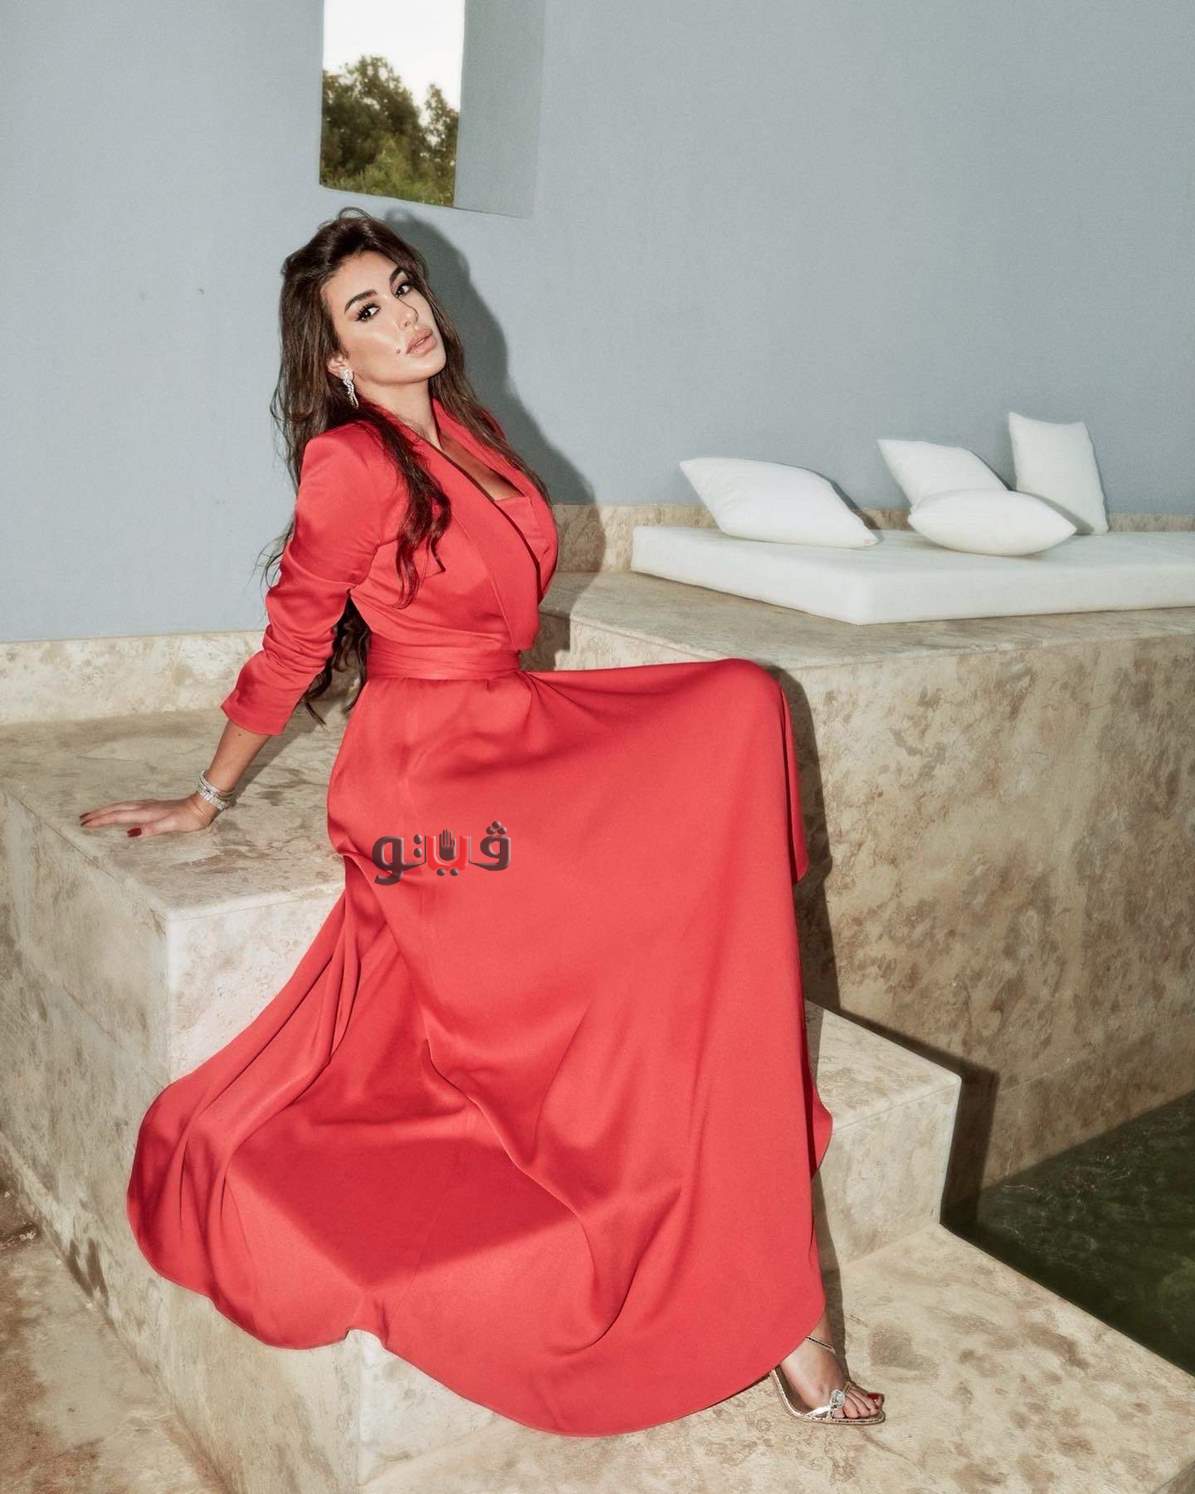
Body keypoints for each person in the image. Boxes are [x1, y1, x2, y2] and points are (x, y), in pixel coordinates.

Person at [80, 207, 884, 1433]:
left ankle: (763, 1262)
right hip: (429, 767)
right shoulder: (350, 462)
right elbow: (296, 640)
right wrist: (208, 793)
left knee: (735, 704)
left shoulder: (466, 428)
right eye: (367, 310)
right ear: (335, 361)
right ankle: (787, 1322)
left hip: (505, 721)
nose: (404, 314)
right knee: (716, 743)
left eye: (403, 288)